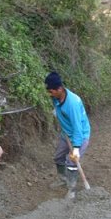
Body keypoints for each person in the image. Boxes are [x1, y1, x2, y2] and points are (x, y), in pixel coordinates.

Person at [45, 71, 90, 199]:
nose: (50, 94)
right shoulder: (56, 96)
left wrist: (76, 148)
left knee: (71, 162)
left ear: (60, 89)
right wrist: (57, 111)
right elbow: (57, 105)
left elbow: (77, 128)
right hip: (66, 133)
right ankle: (63, 179)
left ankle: (72, 190)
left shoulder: (73, 104)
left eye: (52, 91)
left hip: (80, 136)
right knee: (58, 157)